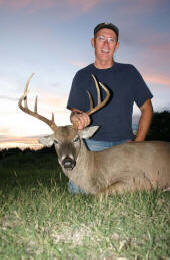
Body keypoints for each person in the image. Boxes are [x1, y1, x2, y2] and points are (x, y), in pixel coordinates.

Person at [67, 22, 153, 193]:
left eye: (111, 40)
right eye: (101, 38)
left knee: (137, 186)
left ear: (117, 45)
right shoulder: (82, 75)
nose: (106, 44)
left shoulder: (129, 72)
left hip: (125, 144)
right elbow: (74, 113)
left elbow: (147, 108)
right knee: (77, 191)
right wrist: (76, 118)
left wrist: (138, 144)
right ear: (93, 42)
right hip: (93, 146)